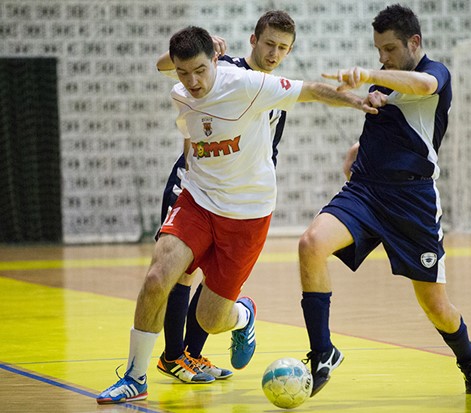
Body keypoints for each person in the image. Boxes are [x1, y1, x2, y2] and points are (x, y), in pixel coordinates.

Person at [96, 25, 376, 405]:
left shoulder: (248, 84)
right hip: (197, 198)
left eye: (199, 70)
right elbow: (165, 64)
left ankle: (242, 314)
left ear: (215, 61)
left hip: (247, 213)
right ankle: (135, 375)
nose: (192, 82)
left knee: (212, 318)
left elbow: (310, 90)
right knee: (159, 275)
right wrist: (194, 49)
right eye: (183, 73)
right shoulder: (182, 88)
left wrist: (358, 102)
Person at [297, 4, 471, 397]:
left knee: (435, 305)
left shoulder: (435, 73)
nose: (381, 57)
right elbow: (396, 126)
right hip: (366, 192)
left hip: (413, 201)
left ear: (413, 42)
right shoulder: (383, 84)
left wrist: (371, 75)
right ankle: (322, 353)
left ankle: (470, 361)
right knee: (311, 244)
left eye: (388, 49)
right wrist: (358, 146)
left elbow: (420, 88)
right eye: (377, 51)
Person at [153, 11, 297, 384]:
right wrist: (205, 45)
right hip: (194, 184)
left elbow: (269, 151)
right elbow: (163, 65)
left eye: (283, 48)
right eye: (269, 44)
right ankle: (172, 357)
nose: (274, 53)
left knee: (211, 275)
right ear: (253, 40)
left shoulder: (276, 92)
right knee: (180, 272)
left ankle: (193, 355)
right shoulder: (223, 68)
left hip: (235, 198)